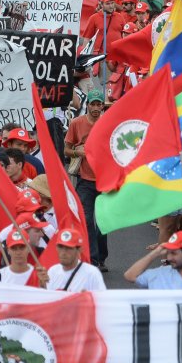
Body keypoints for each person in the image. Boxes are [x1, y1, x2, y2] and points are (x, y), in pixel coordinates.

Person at [65, 91, 107, 271]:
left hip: (105, 181)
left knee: (103, 222)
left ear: (102, 106)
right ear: (87, 105)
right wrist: (78, 152)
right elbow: (66, 150)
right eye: (93, 104)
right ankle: (93, 259)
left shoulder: (108, 122)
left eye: (99, 104)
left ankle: (101, 257)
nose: (96, 108)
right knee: (87, 220)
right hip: (85, 180)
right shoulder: (76, 123)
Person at [41, 228, 106, 292]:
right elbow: (48, 296)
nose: (63, 252)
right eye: (60, 247)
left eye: (68, 248)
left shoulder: (92, 273)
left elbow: (101, 298)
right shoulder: (52, 271)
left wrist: (87, 297)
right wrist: (42, 286)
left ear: (79, 250)